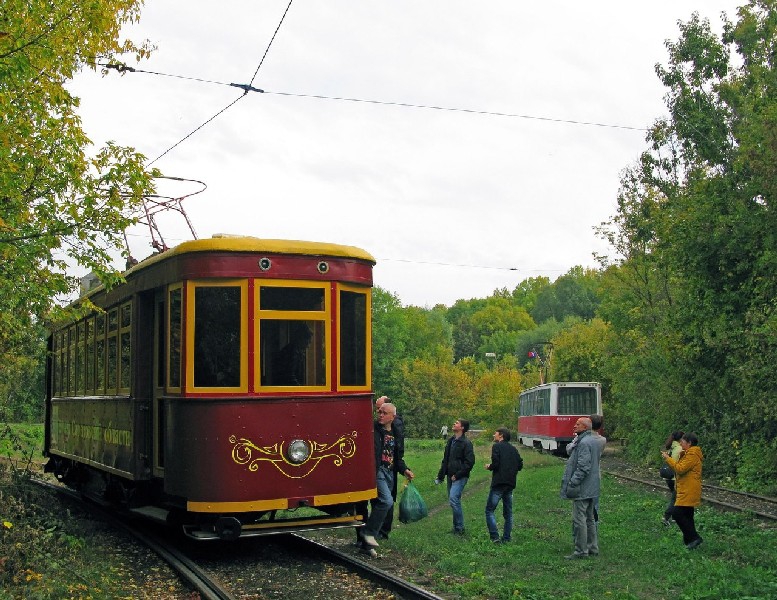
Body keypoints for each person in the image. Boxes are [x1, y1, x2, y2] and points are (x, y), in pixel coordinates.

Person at [360, 402, 414, 556]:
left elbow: (397, 458)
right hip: (378, 472)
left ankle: (366, 545)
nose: (380, 415)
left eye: (384, 413)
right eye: (379, 412)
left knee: (383, 505)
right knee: (386, 501)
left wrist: (405, 470)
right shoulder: (372, 429)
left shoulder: (396, 433)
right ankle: (368, 533)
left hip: (390, 473)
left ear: (393, 417)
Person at [560, 417, 603, 559]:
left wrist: (573, 482)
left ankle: (581, 551)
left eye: (577, 424)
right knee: (590, 519)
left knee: (579, 520)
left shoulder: (583, 443)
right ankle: (592, 548)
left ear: (585, 427)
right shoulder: (593, 440)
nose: (574, 426)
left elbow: (583, 467)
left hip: (582, 487)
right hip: (592, 486)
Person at [661, 432, 703, 550]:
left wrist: (668, 459)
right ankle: (689, 540)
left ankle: (694, 538)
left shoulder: (692, 454)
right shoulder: (688, 453)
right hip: (686, 488)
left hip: (689, 489)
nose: (680, 443)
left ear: (689, 443)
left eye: (683, 442)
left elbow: (680, 469)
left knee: (677, 513)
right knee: (688, 515)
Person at [436, 418, 475, 535]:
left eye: (457, 423)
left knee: (453, 499)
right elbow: (446, 459)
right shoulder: (451, 441)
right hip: (450, 475)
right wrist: (441, 475)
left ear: (462, 428)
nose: (454, 424)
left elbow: (469, 463)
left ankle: (460, 528)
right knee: (453, 501)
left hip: (460, 477)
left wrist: (457, 475)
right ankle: (456, 528)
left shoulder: (466, 443)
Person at [484, 427, 523, 543]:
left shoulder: (496, 447)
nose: (493, 435)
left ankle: (495, 537)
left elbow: (496, 463)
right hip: (510, 483)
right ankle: (506, 538)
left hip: (499, 482)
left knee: (489, 510)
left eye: (495, 433)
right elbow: (520, 465)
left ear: (501, 435)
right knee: (508, 513)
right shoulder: (513, 449)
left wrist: (489, 466)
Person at [661, 430, 684, 526]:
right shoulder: (679, 449)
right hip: (675, 478)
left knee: (676, 498)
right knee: (675, 499)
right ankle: (666, 518)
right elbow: (677, 464)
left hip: (668, 477)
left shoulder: (671, 447)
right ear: (680, 439)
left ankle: (674, 517)